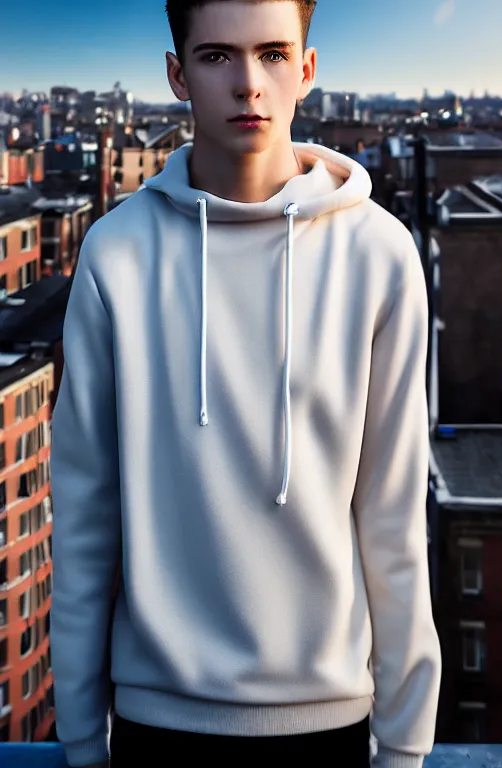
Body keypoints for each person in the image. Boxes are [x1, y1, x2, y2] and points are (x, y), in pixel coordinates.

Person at [50, 1, 442, 767]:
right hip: (153, 724)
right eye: (217, 57)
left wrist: (403, 747)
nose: (249, 86)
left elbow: (393, 519)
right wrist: (78, 735)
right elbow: (85, 512)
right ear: (176, 74)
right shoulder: (116, 256)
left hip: (329, 722)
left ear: (307, 68)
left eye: (271, 53)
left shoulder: (380, 257)